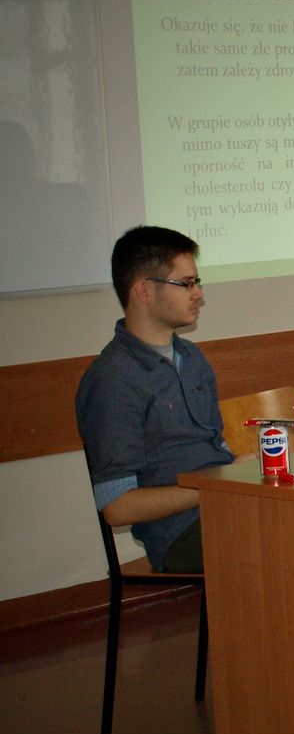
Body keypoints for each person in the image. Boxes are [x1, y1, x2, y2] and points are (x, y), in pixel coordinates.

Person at [75, 226, 234, 573]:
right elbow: (117, 506)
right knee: (293, 539)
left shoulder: (192, 359)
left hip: (227, 507)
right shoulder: (112, 380)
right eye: (186, 283)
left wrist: (246, 473)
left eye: (197, 282)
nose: (199, 294)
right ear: (145, 290)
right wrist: (215, 487)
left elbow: (215, 446)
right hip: (181, 533)